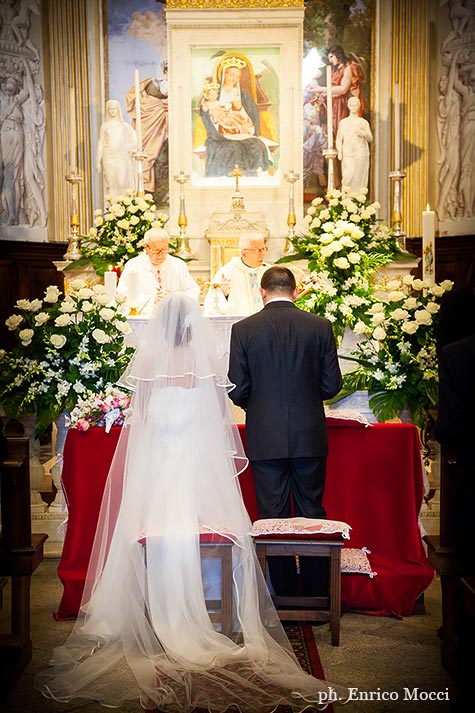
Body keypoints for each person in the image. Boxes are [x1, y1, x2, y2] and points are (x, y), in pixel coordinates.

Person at [35, 293, 348, 711]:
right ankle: (235, 601)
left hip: (160, 467)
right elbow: (220, 415)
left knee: (153, 521)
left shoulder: (148, 363)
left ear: (160, 327)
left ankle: (153, 602)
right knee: (249, 515)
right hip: (203, 466)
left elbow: (141, 419)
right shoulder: (205, 363)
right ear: (194, 326)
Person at [228, 266, 343, 597]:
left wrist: (260, 405)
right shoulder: (319, 326)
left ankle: (279, 596)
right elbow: (331, 384)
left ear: (262, 292)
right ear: (294, 291)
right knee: (312, 513)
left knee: (272, 517)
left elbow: (236, 388)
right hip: (309, 432)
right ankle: (316, 593)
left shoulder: (244, 328)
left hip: (265, 434)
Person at [199, 59, 273, 178]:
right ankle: (230, 176)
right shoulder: (214, 94)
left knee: (256, 145)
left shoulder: (243, 95)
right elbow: (206, 113)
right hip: (220, 134)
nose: (233, 78)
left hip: (238, 130)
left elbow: (250, 113)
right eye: (230, 74)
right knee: (233, 147)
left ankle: (249, 175)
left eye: (237, 76)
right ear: (224, 74)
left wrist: (245, 122)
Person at [117, 227, 199, 315]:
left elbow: (193, 292)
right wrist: (152, 300)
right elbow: (122, 295)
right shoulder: (133, 266)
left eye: (164, 250)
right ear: (146, 247)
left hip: (173, 319)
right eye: (156, 250)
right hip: (145, 320)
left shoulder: (178, 265)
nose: (160, 255)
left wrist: (173, 298)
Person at [125, 62, 168, 194]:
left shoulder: (176, 84)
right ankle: (144, 189)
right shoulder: (152, 84)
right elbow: (143, 102)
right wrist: (159, 105)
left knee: (159, 153)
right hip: (149, 122)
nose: (169, 73)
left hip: (164, 123)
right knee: (145, 152)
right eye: (167, 70)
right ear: (164, 71)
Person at [203, 233, 270, 316]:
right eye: (257, 250)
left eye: (263, 249)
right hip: (241, 326)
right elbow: (211, 307)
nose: (262, 254)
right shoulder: (227, 273)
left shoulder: (270, 272)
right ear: (244, 253)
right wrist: (223, 295)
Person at [306, 45, 365, 140]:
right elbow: (332, 87)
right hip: (333, 103)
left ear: (338, 55)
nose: (330, 60)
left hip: (342, 104)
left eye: (331, 57)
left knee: (339, 130)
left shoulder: (348, 68)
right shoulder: (335, 70)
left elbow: (343, 89)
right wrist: (322, 93)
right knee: (330, 130)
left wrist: (321, 89)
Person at [96, 100, 137, 201]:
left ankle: (123, 209)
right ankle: (112, 210)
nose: (112, 111)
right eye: (110, 109)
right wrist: (98, 161)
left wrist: (130, 148)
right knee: (110, 185)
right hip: (108, 157)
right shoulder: (104, 126)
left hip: (121, 157)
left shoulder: (124, 126)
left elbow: (134, 140)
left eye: (114, 108)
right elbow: (100, 143)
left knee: (122, 183)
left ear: (118, 109)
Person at [336, 96, 373, 193]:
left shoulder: (363, 122)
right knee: (347, 176)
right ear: (348, 106)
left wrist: (363, 133)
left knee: (358, 176)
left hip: (360, 151)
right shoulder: (343, 122)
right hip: (347, 152)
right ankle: (346, 199)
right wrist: (339, 152)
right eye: (351, 105)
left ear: (359, 106)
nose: (353, 107)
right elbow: (339, 139)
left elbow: (370, 138)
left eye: (356, 105)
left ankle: (358, 199)